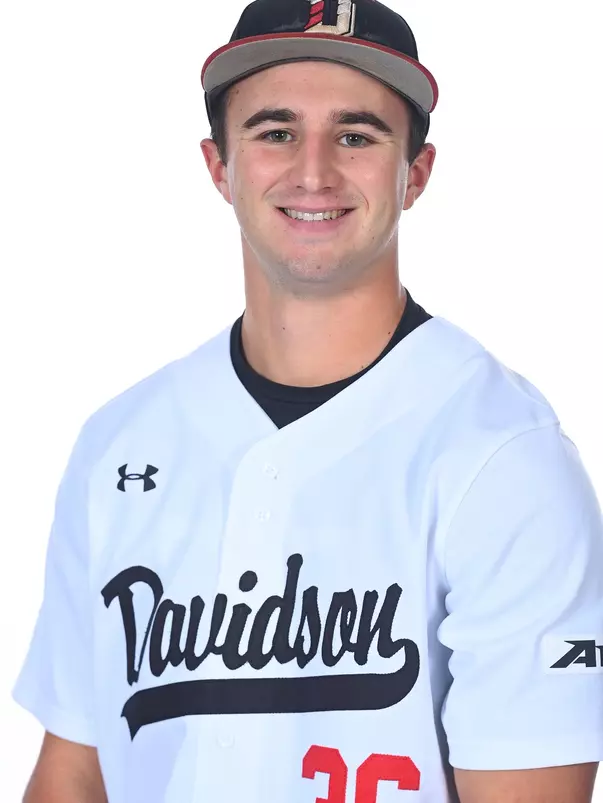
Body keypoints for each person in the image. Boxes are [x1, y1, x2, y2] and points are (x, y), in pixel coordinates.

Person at [13, 0, 603, 801]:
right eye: (275, 132)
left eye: (356, 136)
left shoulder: (502, 456)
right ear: (218, 166)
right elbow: (73, 769)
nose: (314, 171)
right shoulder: (120, 441)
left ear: (416, 173)